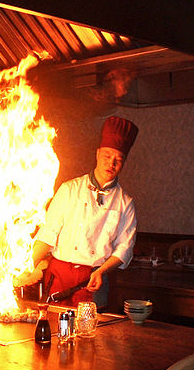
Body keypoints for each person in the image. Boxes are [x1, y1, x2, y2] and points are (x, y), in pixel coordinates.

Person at [32, 116, 139, 308]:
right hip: (59, 276)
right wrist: (26, 266)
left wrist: (101, 271)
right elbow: (48, 233)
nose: (111, 164)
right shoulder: (69, 189)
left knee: (91, 333)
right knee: (54, 328)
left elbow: (124, 249)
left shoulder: (125, 203)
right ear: (97, 154)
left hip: (93, 279)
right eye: (107, 156)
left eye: (118, 160)